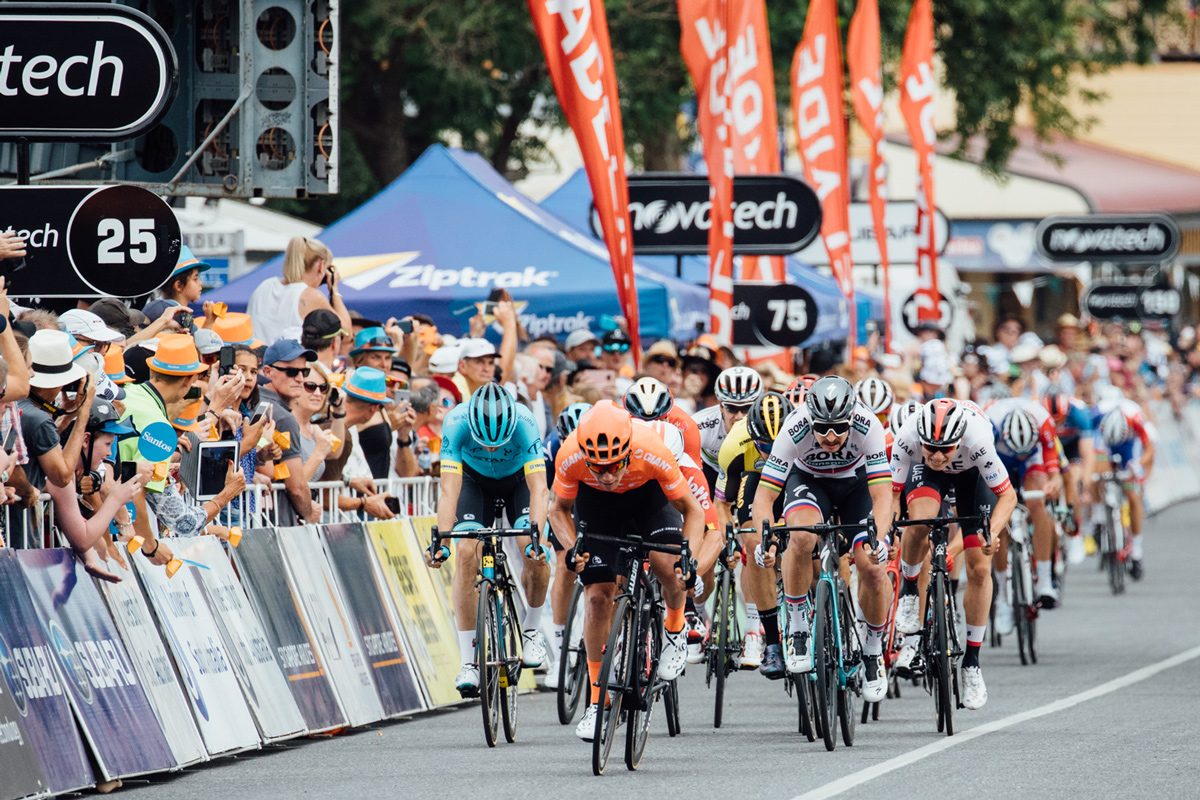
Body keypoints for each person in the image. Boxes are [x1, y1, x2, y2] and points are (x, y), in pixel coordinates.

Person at [549, 401, 709, 741]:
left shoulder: (651, 449)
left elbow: (693, 511)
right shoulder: (570, 455)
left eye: (613, 466)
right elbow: (558, 510)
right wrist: (572, 547)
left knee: (668, 566)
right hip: (598, 509)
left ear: (628, 451)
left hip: (649, 501)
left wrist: (688, 559)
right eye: (598, 467)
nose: (606, 475)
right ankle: (597, 702)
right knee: (596, 599)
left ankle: (674, 626)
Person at [751, 377, 892, 703]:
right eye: (822, 428)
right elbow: (765, 496)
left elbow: (883, 496)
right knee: (800, 538)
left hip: (856, 486)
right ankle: (798, 627)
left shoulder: (868, 424)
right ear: (810, 419)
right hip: (810, 482)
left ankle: (872, 653)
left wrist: (879, 542)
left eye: (839, 428)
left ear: (851, 418)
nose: (831, 437)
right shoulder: (794, 426)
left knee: (871, 568)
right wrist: (766, 539)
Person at [890, 398, 1017, 710]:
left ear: (959, 440)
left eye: (944, 448)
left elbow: (1008, 496)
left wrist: (992, 532)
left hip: (971, 476)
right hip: (928, 479)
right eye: (929, 447)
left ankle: (972, 663)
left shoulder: (978, 440)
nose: (935, 455)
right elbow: (892, 496)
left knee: (980, 568)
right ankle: (909, 592)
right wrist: (891, 529)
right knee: (919, 521)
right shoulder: (907, 437)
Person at [426, 383, 551, 697]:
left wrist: (537, 536)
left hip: (518, 481)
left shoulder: (524, 422)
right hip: (474, 482)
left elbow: (540, 489)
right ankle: (469, 664)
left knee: (531, 549)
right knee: (467, 551)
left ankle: (533, 630)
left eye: (499, 443)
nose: (492, 449)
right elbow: (449, 491)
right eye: (486, 444)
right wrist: (441, 540)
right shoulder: (455, 423)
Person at [715, 391, 792, 669]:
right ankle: (770, 641)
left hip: (793, 476)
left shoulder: (801, 438)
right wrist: (729, 538)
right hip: (755, 480)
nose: (771, 453)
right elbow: (722, 504)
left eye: (776, 446)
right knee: (754, 544)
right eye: (763, 447)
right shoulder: (735, 443)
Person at [14, 331, 97, 547]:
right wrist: (83, 416)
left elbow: (39, 448)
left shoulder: (15, 406)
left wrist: (67, 417)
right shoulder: (39, 419)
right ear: (58, 383)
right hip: (20, 535)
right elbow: (61, 476)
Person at [986, 397, 1063, 613]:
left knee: (1037, 503)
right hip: (999, 457)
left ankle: (1045, 582)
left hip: (1034, 459)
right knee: (999, 519)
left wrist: (1053, 484)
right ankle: (1002, 594)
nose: (1020, 454)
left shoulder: (1044, 422)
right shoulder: (988, 422)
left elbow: (1054, 473)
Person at [258, 339, 320, 524]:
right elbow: (297, 488)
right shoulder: (283, 417)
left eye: (304, 371)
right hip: (275, 521)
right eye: (292, 372)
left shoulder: (254, 402)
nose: (301, 379)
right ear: (268, 371)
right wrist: (310, 514)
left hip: (253, 517)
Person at [247, 236, 351, 346]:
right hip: (287, 362)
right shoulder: (311, 296)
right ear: (321, 266)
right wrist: (334, 290)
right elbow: (346, 334)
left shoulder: (264, 286)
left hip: (256, 359)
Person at [1093, 399, 1155, 580]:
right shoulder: (1099, 420)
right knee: (1098, 477)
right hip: (1107, 448)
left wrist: (1138, 465)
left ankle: (1136, 550)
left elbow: (1149, 449)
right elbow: (1095, 456)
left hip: (1130, 451)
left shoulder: (1135, 419)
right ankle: (1099, 518)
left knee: (1134, 497)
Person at [693, 366, 763, 492]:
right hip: (712, 472)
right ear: (720, 406)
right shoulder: (700, 424)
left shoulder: (768, 423)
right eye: (732, 408)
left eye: (747, 408)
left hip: (752, 473)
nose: (739, 416)